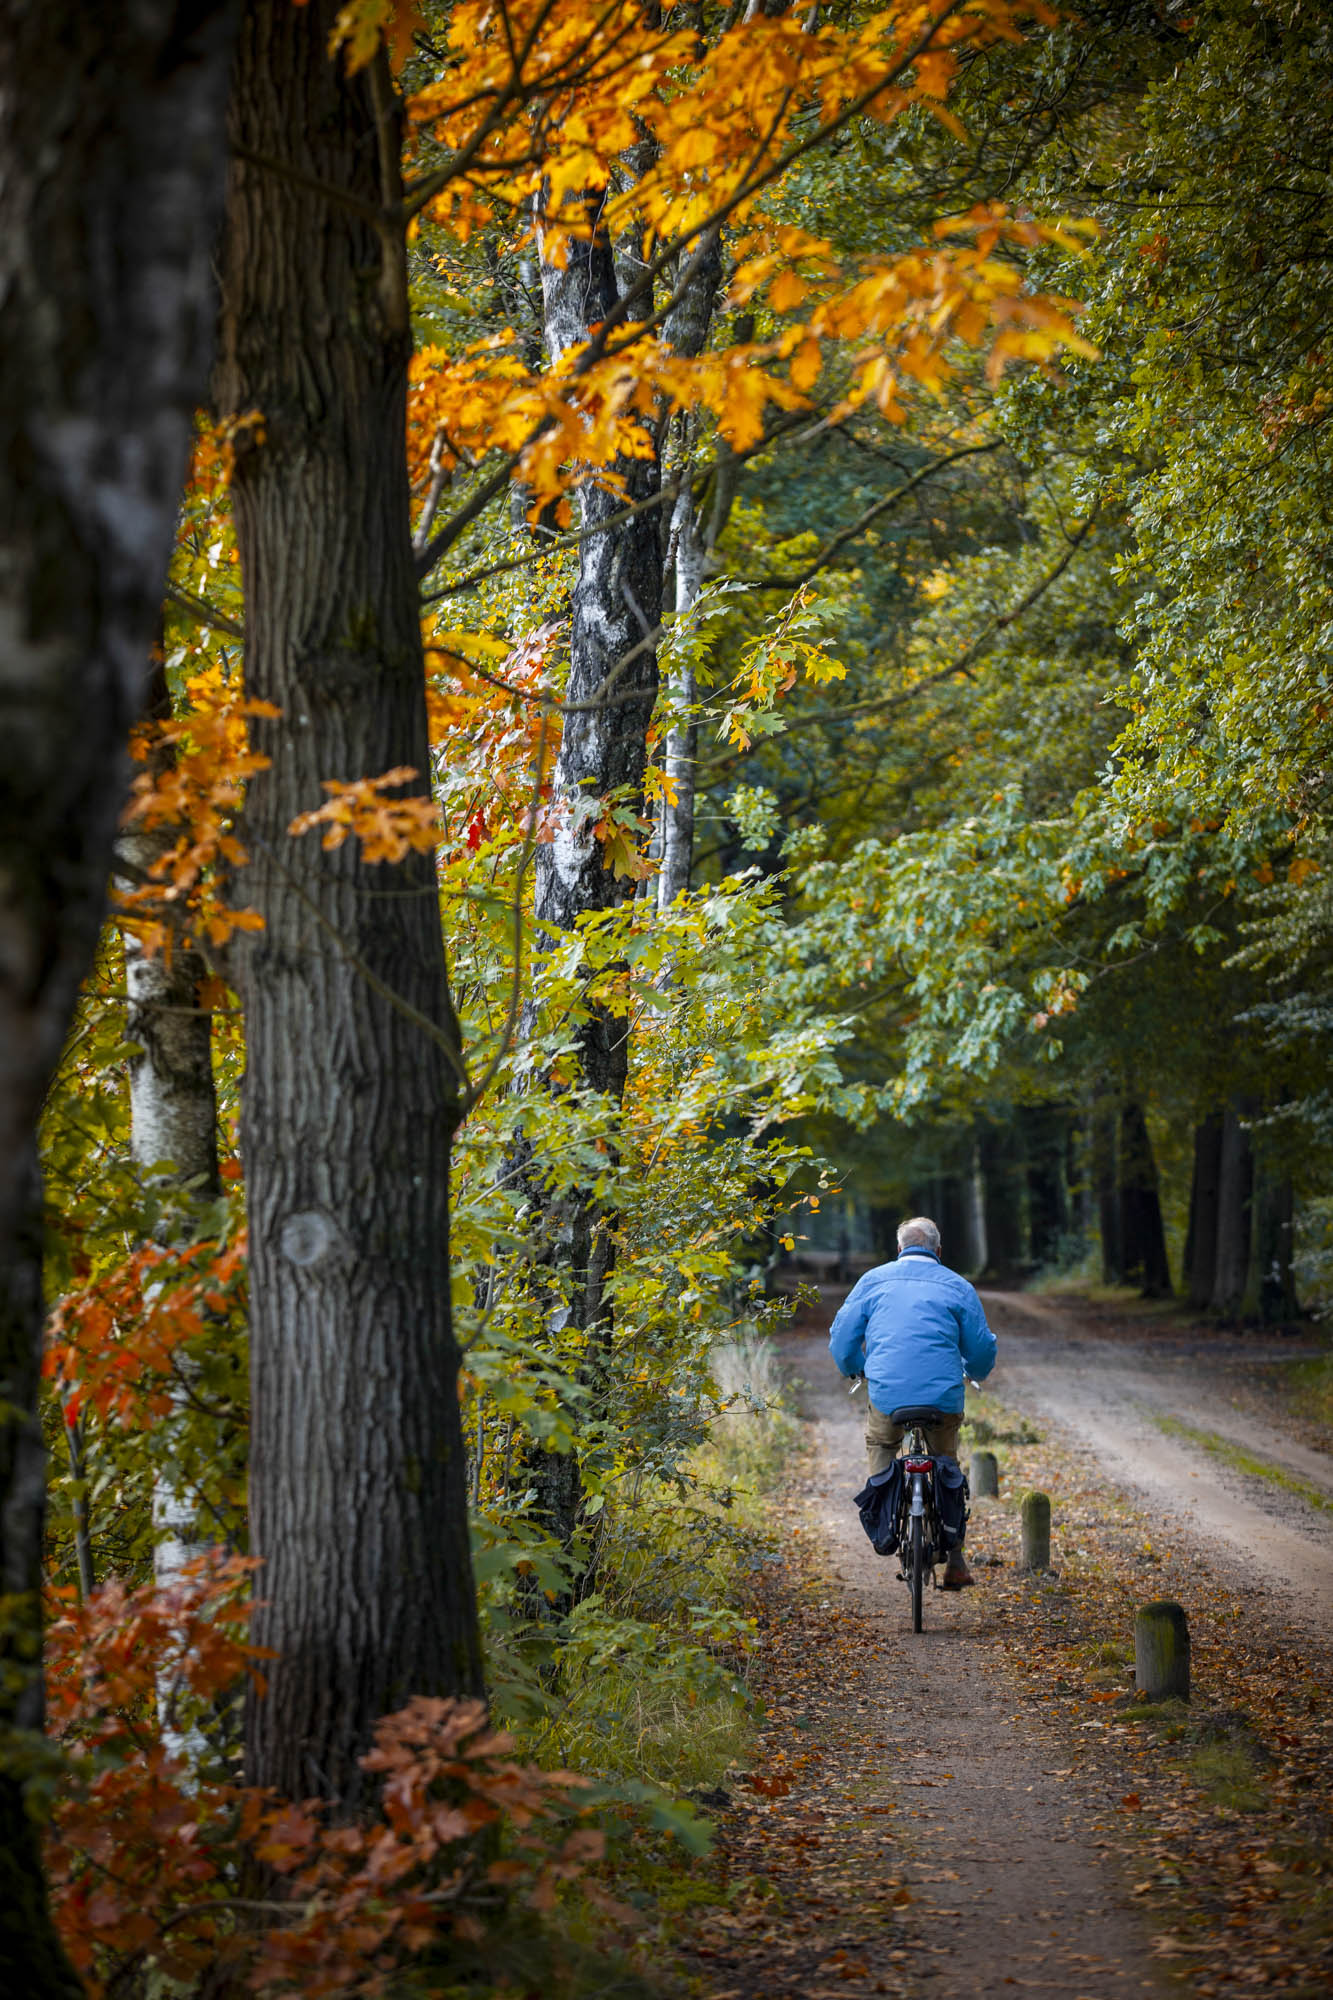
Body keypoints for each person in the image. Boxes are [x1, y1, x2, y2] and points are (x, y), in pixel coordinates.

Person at [828, 1213, 997, 1589]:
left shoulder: (872, 1281)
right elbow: (982, 1348)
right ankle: (955, 1558)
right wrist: (975, 1371)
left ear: (899, 1249)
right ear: (938, 1250)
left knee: (882, 1442)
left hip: (888, 1394)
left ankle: (884, 1523)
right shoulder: (957, 1286)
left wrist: (856, 1368)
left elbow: (842, 1338)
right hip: (942, 1397)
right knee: (946, 1463)